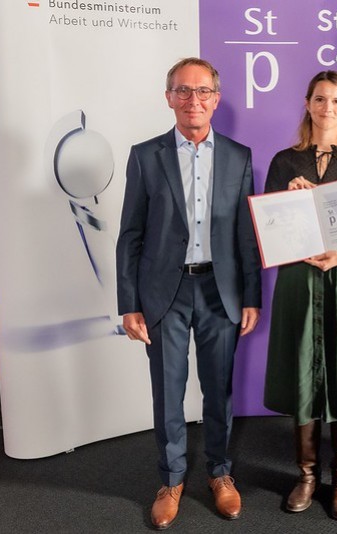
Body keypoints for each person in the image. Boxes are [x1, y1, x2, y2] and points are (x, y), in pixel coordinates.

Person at [115, 57, 262, 529]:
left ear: (216, 99)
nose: (192, 99)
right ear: (168, 97)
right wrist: (129, 304)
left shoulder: (239, 157)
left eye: (202, 91)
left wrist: (252, 296)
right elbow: (130, 234)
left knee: (219, 391)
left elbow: (246, 235)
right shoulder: (145, 155)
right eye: (182, 90)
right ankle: (172, 480)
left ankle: (220, 473)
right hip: (165, 293)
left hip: (222, 291)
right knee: (168, 391)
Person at [262, 70, 337, 521]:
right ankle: (307, 476)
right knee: (303, 373)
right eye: (318, 99)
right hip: (300, 280)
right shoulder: (284, 162)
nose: (326, 107)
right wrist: (291, 200)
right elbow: (271, 231)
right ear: (307, 104)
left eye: (334, 100)